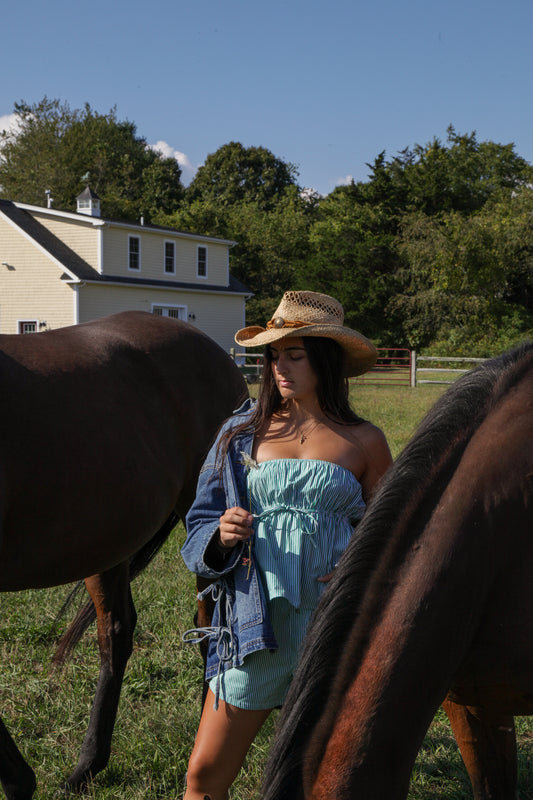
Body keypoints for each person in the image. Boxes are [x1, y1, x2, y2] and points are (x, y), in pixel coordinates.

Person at [180, 290, 393, 800]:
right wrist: (220, 535)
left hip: (334, 625)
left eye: (294, 355)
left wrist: (356, 569)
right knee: (203, 776)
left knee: (322, 780)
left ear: (326, 359)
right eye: (274, 355)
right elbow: (198, 524)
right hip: (256, 621)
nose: (279, 367)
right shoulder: (240, 433)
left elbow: (391, 531)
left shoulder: (364, 440)